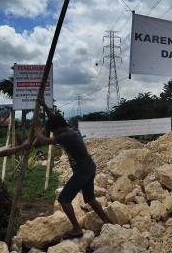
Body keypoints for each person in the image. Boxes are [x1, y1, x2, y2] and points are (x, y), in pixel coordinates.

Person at [31, 100, 110, 240]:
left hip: (82, 169)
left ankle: (77, 229)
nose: (54, 134)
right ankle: (107, 223)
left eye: (54, 131)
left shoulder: (68, 135)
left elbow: (43, 141)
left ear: (60, 128)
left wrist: (36, 129)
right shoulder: (71, 128)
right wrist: (44, 106)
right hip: (89, 166)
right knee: (90, 198)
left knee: (64, 199)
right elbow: (55, 118)